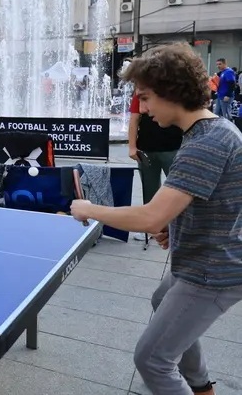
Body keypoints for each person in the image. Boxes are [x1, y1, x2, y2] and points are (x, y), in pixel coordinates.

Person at [70, 43, 242, 395]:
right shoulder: (211, 131)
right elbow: (213, 201)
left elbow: (149, 216)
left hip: (212, 272)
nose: (143, 109)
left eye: (146, 98)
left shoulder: (205, 144)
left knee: (152, 360)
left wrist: (89, 209)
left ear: (171, 91)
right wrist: (173, 226)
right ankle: (201, 387)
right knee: (161, 300)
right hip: (200, 259)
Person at [127, 89, 183, 241]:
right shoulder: (141, 90)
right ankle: (152, 228)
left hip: (173, 147)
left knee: (179, 190)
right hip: (146, 148)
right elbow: (134, 118)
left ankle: (179, 227)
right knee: (149, 189)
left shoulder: (173, 88)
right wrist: (132, 146)